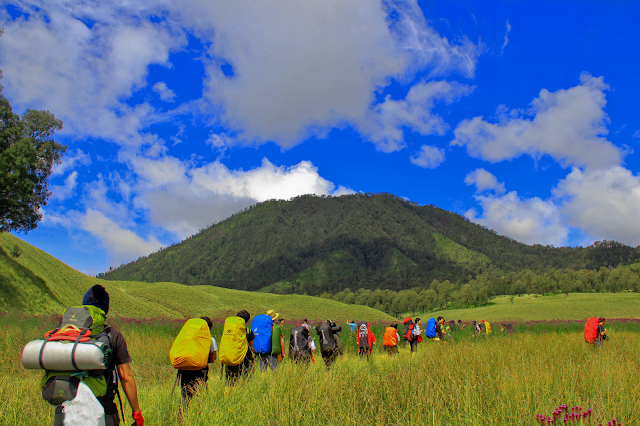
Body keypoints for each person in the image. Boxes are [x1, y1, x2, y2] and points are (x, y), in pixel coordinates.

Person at [54, 284, 144, 426]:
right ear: (105, 310)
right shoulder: (113, 335)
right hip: (102, 409)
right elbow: (126, 377)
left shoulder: (66, 333)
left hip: (65, 410)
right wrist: (136, 412)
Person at [178, 317, 217, 409]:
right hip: (201, 370)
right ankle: (199, 415)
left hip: (185, 369)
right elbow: (212, 359)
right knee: (201, 394)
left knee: (185, 394)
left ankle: (182, 417)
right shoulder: (210, 339)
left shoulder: (187, 337)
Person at [225, 310, 255, 385]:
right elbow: (252, 346)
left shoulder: (230, 330)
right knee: (245, 381)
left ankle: (227, 395)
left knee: (229, 382)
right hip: (244, 360)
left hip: (230, 357)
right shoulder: (248, 331)